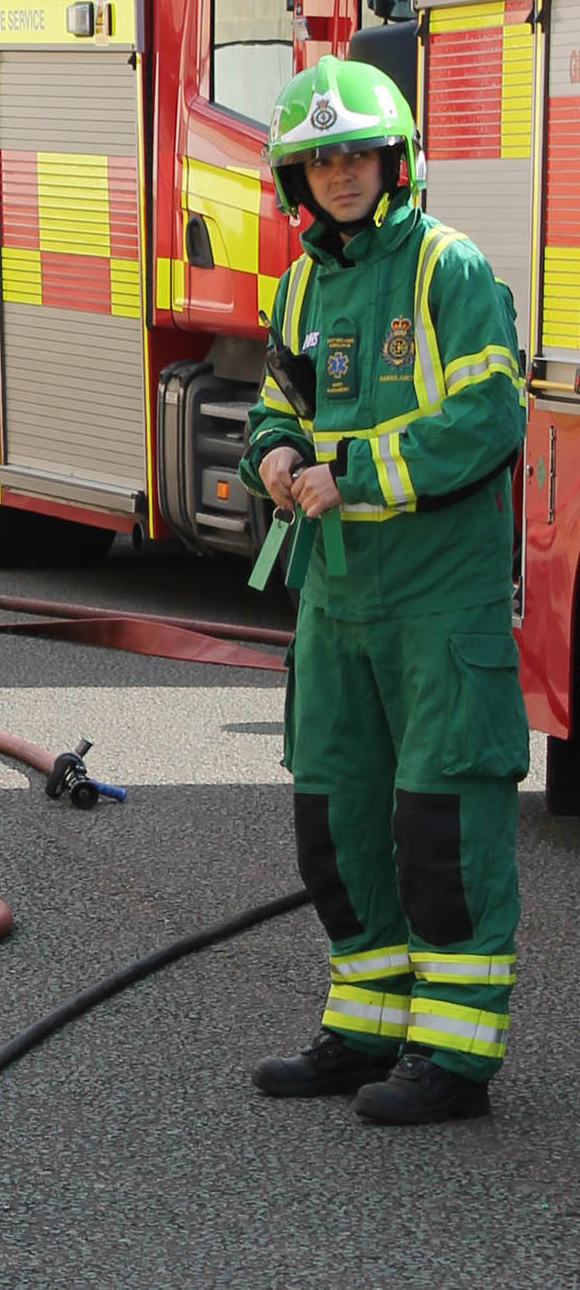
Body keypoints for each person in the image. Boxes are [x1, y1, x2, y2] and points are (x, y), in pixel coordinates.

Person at [241, 56, 528, 1125]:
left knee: (440, 827)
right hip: (336, 602)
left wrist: (350, 471)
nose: (341, 174)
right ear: (296, 179)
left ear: (395, 161)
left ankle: (453, 1056)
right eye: (320, 162)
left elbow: (488, 418)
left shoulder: (447, 269)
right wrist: (273, 456)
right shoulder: (300, 284)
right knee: (336, 820)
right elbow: (276, 408)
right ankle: (364, 1027)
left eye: (357, 155)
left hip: (437, 606)